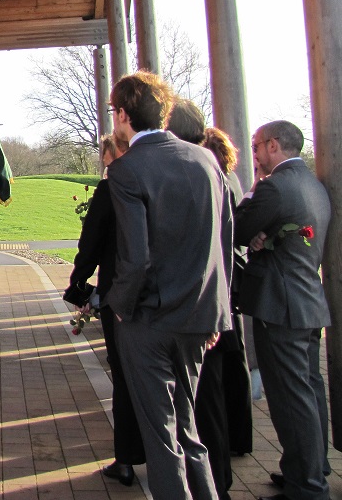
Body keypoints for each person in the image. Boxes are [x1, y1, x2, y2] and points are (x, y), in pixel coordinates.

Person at [106, 72, 234, 500]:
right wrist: (219, 310)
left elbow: (136, 256)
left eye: (114, 112)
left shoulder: (127, 169)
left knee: (162, 439)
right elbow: (225, 242)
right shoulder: (207, 162)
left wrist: (120, 307)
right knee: (188, 428)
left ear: (124, 114)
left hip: (150, 319)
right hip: (200, 316)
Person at [234, 121, 331, 500]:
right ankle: (309, 468)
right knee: (309, 391)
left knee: (291, 398)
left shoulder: (273, 186)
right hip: (308, 301)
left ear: (273, 145)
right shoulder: (313, 185)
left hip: (281, 306)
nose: (255, 155)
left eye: (257, 146)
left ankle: (307, 487)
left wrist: (252, 206)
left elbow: (238, 229)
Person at [165, 99, 246, 500]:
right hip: (214, 305)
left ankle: (218, 483)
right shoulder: (215, 169)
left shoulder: (201, 170)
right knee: (206, 399)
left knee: (206, 403)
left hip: (206, 307)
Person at [64, 133, 144, 487]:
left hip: (121, 295)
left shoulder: (109, 191)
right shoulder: (163, 180)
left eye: (105, 155)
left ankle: (126, 457)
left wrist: (79, 284)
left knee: (125, 376)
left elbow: (91, 243)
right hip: (166, 297)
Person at [201, 126, 254, 458]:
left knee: (222, 368)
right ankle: (239, 437)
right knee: (235, 363)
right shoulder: (230, 177)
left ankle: (228, 439)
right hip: (232, 277)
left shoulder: (218, 180)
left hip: (224, 278)